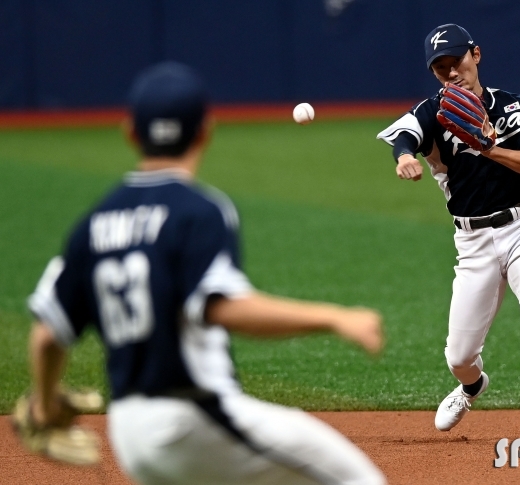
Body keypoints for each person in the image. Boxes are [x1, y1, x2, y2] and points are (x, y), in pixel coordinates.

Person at [26, 61, 387, 484]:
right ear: (205, 131)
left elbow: (47, 334)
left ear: (130, 133)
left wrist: (46, 404)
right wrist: (335, 318)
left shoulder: (92, 225)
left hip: (127, 432)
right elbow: (224, 308)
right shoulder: (199, 211)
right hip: (192, 417)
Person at [377, 23, 520, 444]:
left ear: (476, 54)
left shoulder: (514, 107)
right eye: (440, 68)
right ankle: (472, 387)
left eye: (456, 61)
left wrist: (491, 148)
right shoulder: (433, 111)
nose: (451, 73)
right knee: (458, 357)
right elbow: (403, 134)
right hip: (472, 245)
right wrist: (403, 157)